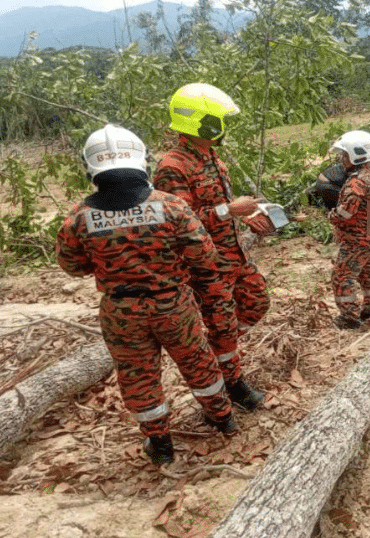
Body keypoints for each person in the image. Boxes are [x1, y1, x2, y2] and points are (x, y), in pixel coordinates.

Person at [56, 124, 237, 466]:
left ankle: (160, 443)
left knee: (138, 375)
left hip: (121, 311)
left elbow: (73, 266)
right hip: (174, 304)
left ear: (91, 167)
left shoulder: (78, 219)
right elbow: (203, 255)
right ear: (143, 161)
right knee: (197, 361)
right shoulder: (171, 207)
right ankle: (223, 417)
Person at [152, 83, 269, 412]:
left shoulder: (213, 157)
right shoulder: (172, 168)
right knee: (222, 324)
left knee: (257, 301)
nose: (221, 126)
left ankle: (217, 350)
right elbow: (178, 224)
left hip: (233, 254)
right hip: (204, 264)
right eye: (215, 119)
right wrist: (230, 211)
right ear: (199, 123)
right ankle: (233, 383)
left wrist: (244, 216)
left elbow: (217, 206)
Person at [328, 130, 370, 330]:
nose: (341, 159)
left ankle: (349, 317)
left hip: (357, 239)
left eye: (344, 155)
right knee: (367, 273)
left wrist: (331, 216)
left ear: (355, 155)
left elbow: (346, 213)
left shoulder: (357, 181)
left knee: (342, 276)